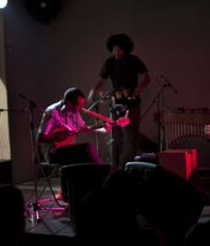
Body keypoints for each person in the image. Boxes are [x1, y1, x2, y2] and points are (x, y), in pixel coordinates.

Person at [88, 33, 150, 169]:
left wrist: (138, 90)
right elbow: (101, 79)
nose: (117, 53)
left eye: (119, 50)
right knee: (115, 136)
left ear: (125, 49)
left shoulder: (134, 60)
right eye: (114, 50)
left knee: (130, 137)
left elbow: (147, 77)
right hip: (116, 103)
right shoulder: (110, 62)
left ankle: (126, 167)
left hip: (131, 103)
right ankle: (114, 167)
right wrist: (93, 91)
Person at [37, 87, 112, 165]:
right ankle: (104, 171)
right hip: (52, 151)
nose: (80, 109)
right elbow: (40, 138)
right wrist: (57, 137)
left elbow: (83, 128)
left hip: (66, 148)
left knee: (86, 157)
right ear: (69, 103)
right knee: (87, 149)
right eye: (79, 105)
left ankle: (100, 172)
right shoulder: (52, 112)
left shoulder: (74, 111)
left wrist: (99, 127)